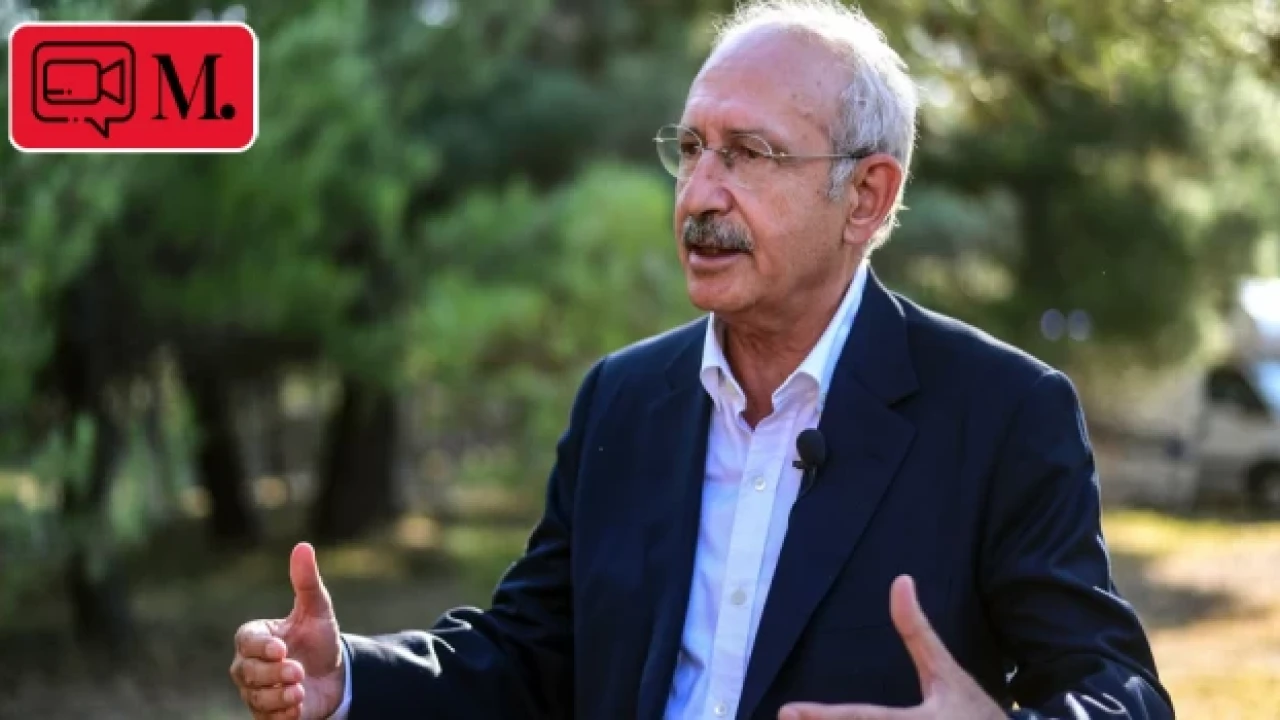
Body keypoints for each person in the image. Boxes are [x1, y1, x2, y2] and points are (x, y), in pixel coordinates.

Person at [229, 1, 1175, 718]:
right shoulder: (624, 399)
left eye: (749, 154)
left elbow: (1118, 692)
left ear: (867, 197)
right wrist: (348, 677)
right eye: (691, 149)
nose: (699, 195)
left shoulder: (1001, 413)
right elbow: (530, 651)